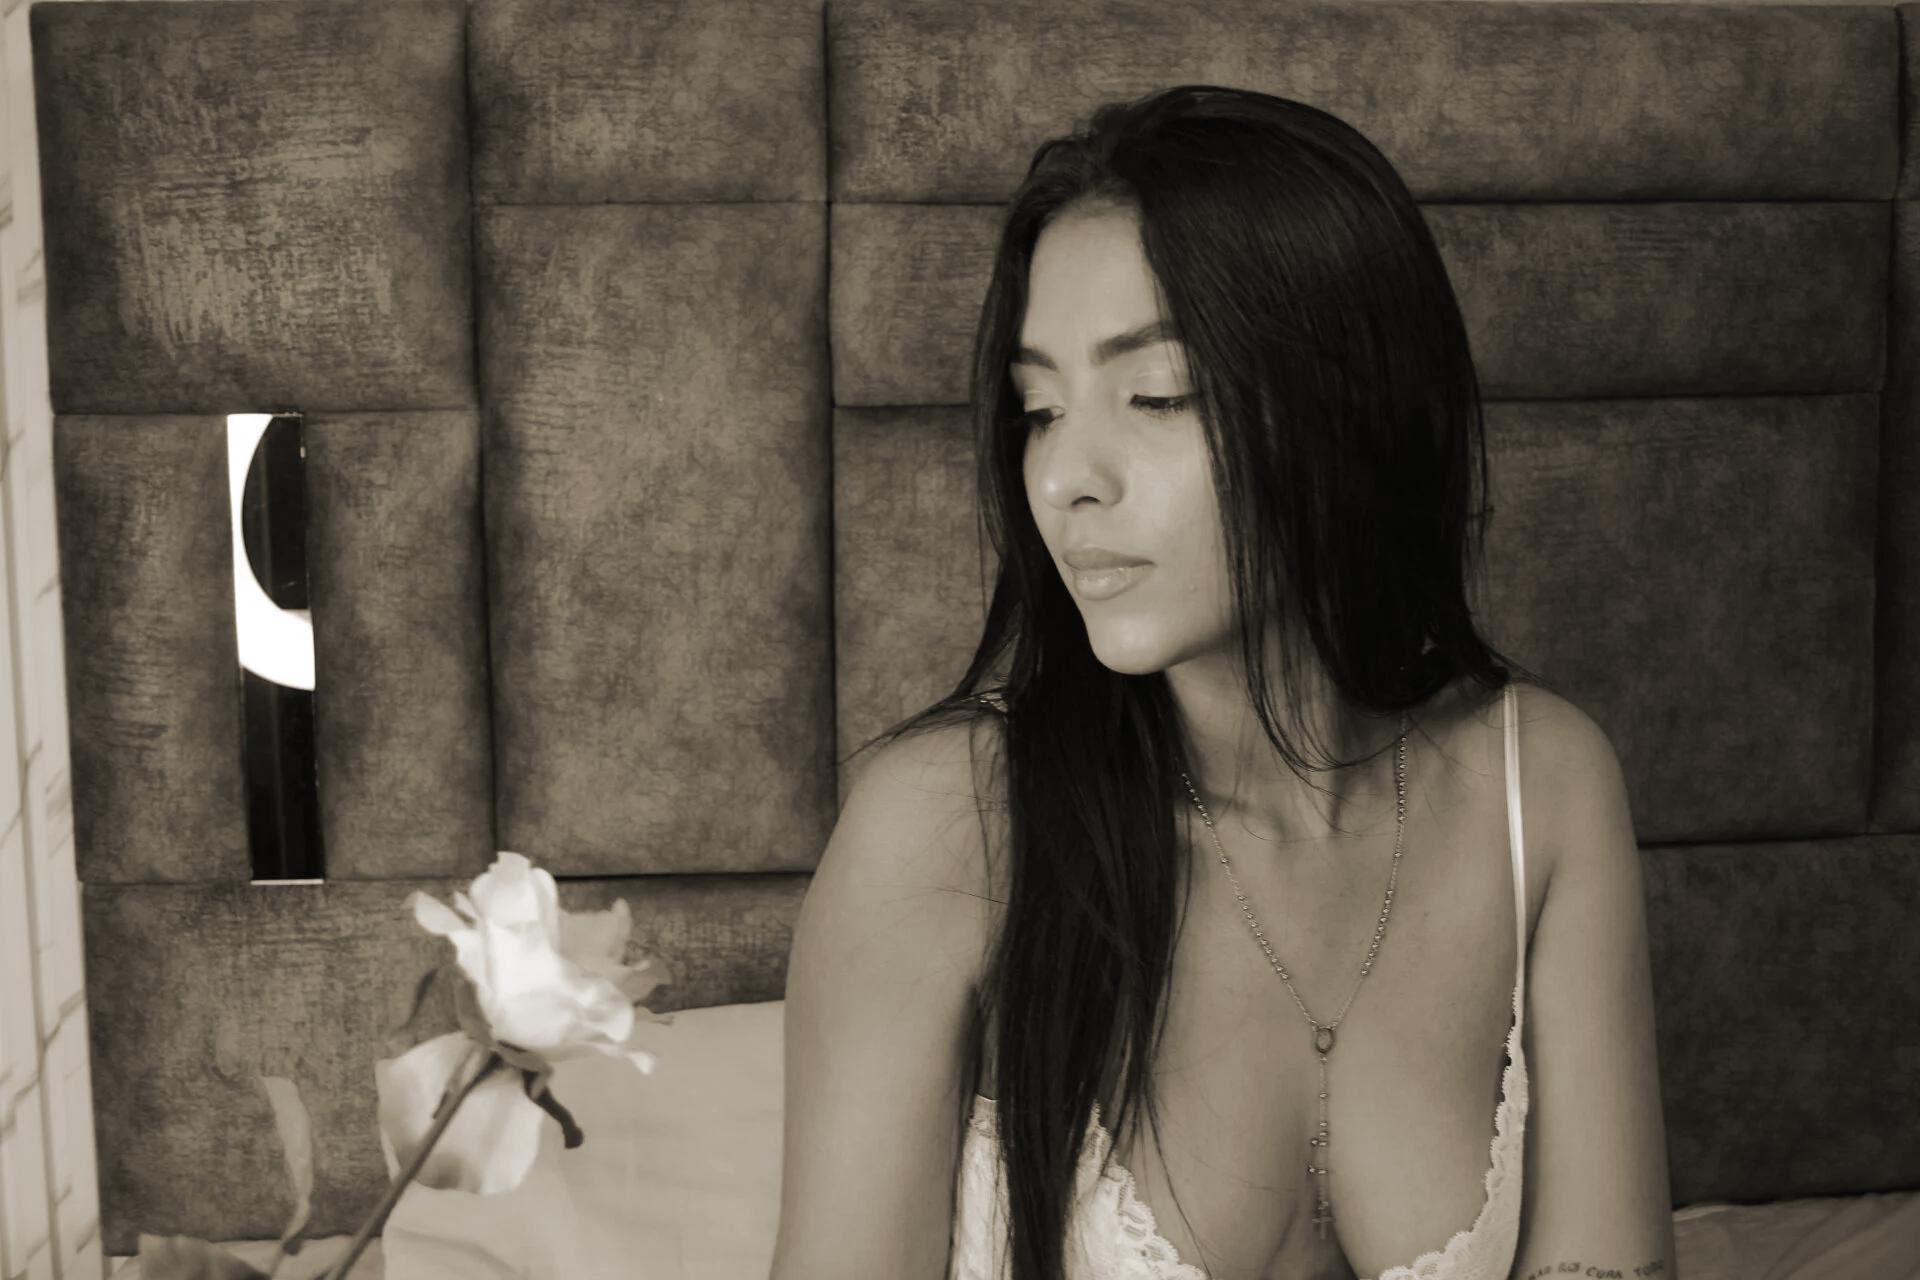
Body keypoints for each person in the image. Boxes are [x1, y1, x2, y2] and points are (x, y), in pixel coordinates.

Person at [771, 84, 1676, 1280]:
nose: (1066, 477)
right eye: (1039, 408)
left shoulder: (1540, 786)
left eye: (1157, 395)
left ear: (1342, 404)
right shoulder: (946, 828)